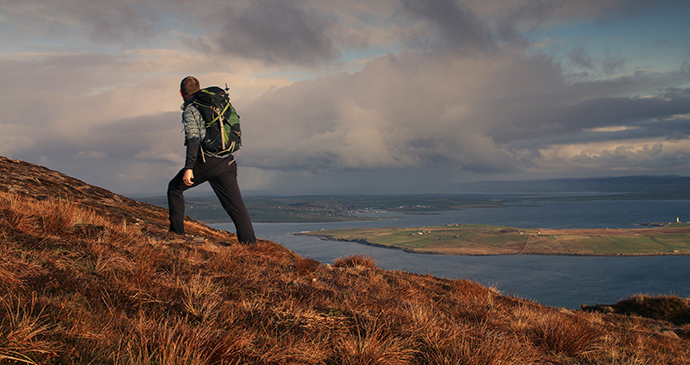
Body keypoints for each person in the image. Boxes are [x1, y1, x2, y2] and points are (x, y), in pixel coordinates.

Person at [167, 76, 256, 244]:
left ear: (181, 93)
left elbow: (194, 139)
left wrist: (189, 167)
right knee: (236, 207)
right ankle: (250, 246)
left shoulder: (192, 109)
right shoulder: (216, 103)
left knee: (174, 189)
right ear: (199, 89)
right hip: (228, 160)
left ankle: (177, 235)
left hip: (208, 161)